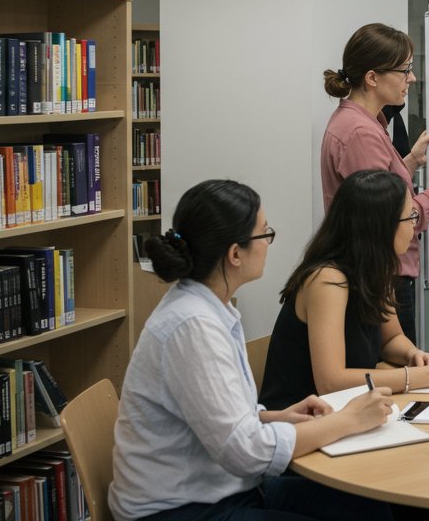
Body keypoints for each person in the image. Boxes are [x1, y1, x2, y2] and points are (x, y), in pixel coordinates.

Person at [109, 180, 396, 521]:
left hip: (223, 487)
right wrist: (349, 420)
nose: (268, 243)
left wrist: (275, 416)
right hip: (181, 508)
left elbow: (220, 418)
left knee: (368, 508)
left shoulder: (209, 307)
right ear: (235, 254)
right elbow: (244, 451)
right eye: (264, 234)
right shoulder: (192, 325)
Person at [260, 169, 429, 411]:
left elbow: (390, 339)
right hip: (300, 421)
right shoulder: (328, 280)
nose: (414, 227)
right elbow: (331, 383)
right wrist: (428, 376)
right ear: (382, 228)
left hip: (347, 412)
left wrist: (412, 354)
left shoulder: (377, 267)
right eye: (410, 217)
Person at [321, 22, 429, 346]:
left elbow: (377, 193)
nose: (412, 79)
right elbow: (388, 221)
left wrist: (408, 163)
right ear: (372, 77)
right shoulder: (359, 132)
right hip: (381, 278)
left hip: (381, 275)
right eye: (405, 70)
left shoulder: (364, 124)